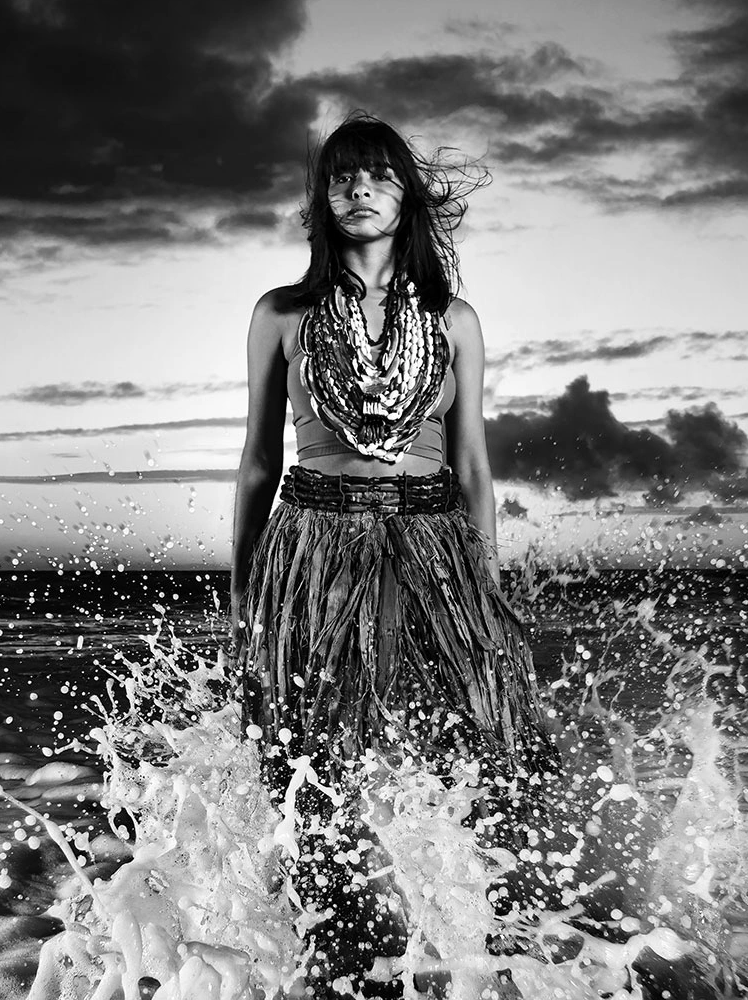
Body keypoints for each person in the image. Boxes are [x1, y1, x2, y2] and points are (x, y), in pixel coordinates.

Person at [231, 113, 557, 994]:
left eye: (378, 173)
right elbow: (262, 459)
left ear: (406, 192)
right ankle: (338, 951)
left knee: (486, 735)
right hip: (313, 538)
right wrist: (244, 590)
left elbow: (476, 467)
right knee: (307, 750)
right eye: (342, 176)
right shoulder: (283, 314)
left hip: (432, 537)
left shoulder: (454, 320)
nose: (359, 188)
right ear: (322, 198)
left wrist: (483, 584)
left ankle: (499, 943)